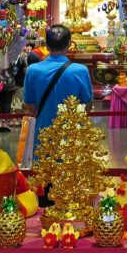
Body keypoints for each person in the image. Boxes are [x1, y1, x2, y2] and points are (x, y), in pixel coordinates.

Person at [23, 25, 93, 156]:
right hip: (72, 137)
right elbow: (87, 105)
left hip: (42, 135)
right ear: (69, 44)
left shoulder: (33, 70)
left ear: (47, 45)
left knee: (43, 174)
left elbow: (29, 104)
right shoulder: (80, 70)